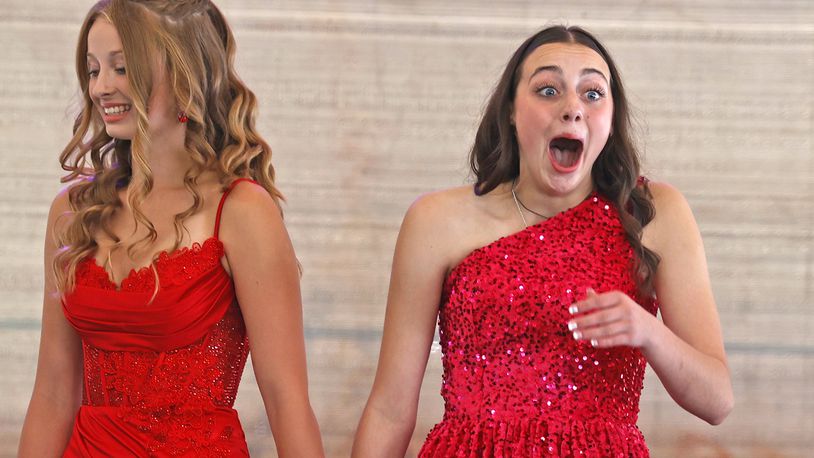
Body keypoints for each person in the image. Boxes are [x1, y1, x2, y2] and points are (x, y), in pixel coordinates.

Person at [352, 25, 733, 457]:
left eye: (592, 93)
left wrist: (648, 332)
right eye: (548, 90)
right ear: (511, 111)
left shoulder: (655, 213)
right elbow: (389, 409)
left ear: (610, 119)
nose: (572, 107)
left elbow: (717, 401)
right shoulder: (435, 220)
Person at [18, 1, 324, 456]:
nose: (101, 87)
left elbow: (285, 399)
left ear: (185, 76)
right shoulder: (73, 212)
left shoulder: (241, 210)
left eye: (121, 67)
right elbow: (53, 394)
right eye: (92, 69)